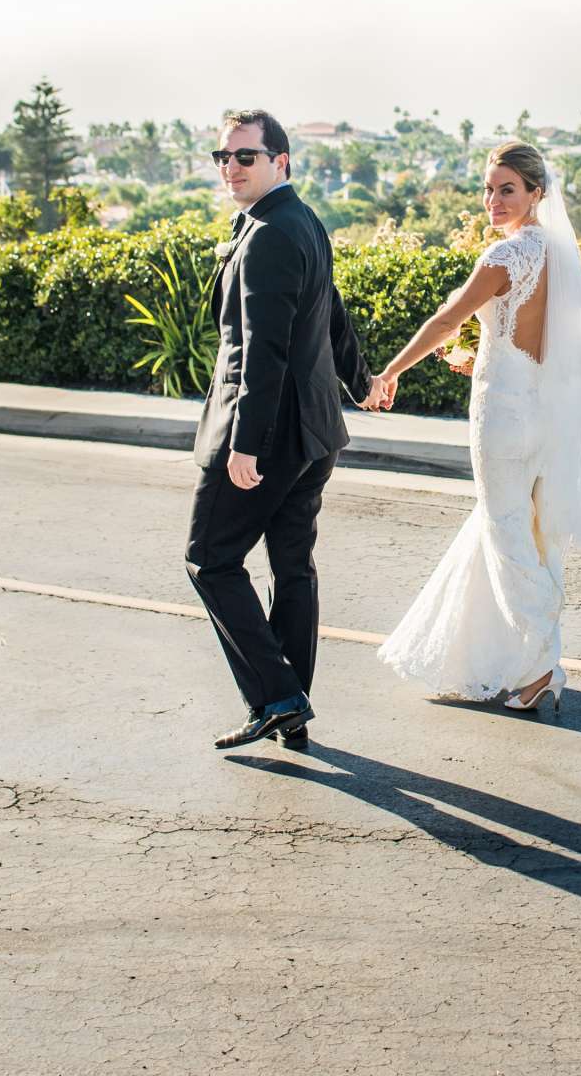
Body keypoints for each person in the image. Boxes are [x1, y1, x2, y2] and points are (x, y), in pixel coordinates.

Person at [364, 139, 581, 715]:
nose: (493, 200)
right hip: (541, 412)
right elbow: (547, 345)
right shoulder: (556, 255)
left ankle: (538, 660)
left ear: (535, 194)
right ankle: (515, 659)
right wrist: (485, 357)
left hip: (502, 416)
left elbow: (448, 318)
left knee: (505, 531)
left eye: (507, 189)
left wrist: (389, 372)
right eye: (488, 188)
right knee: (526, 527)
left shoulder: (503, 258)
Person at [186, 108, 372, 750]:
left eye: (245, 157)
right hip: (315, 432)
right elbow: (332, 316)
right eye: (223, 157)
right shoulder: (300, 220)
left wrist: (244, 444)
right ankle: (291, 706)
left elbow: (259, 350)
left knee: (209, 560)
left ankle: (277, 695)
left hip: (269, 437)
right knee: (292, 567)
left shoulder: (269, 232)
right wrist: (361, 381)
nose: (230, 168)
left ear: (280, 162)